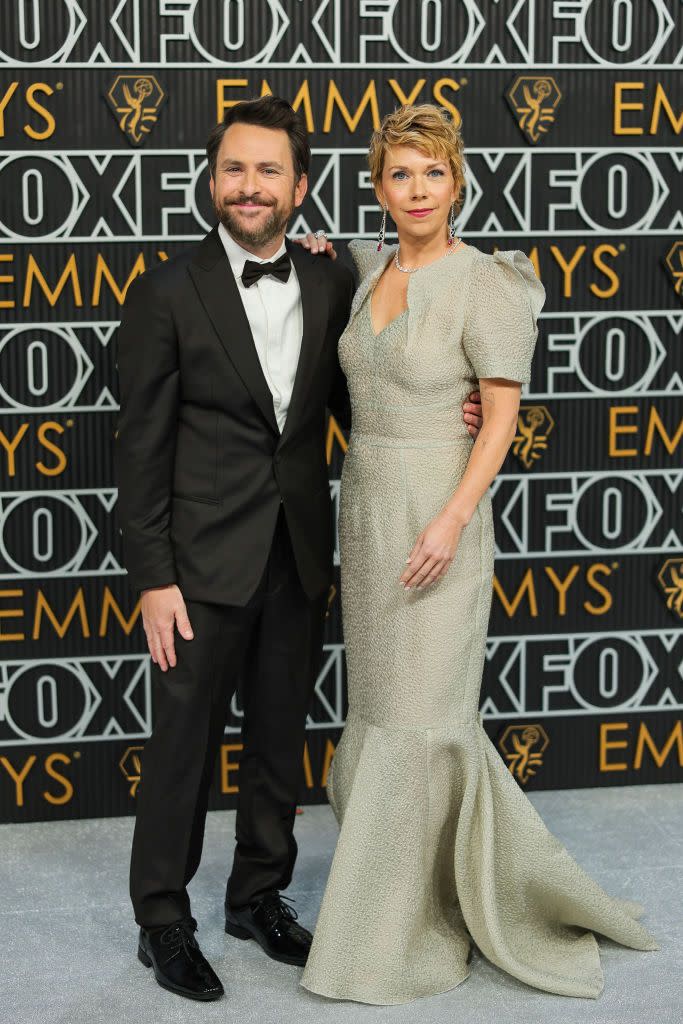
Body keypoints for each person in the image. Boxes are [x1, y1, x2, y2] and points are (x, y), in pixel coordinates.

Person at [115, 94, 484, 1002]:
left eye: (268, 170)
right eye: (234, 169)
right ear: (212, 180)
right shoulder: (166, 289)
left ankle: (258, 897)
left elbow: (370, 400)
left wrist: (454, 413)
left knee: (281, 737)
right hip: (198, 564)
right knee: (183, 746)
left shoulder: (331, 280)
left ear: (300, 186)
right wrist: (153, 577)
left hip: (301, 550)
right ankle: (162, 919)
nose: (249, 186)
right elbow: (139, 447)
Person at [299, 104, 658, 1005]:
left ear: (457, 182)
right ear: (377, 187)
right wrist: (313, 243)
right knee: (381, 711)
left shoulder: (488, 282)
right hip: (367, 508)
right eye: (398, 174)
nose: (416, 190)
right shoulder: (365, 265)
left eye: (432, 173)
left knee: (424, 722)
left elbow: (497, 422)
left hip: (438, 516)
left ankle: (399, 933)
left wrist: (452, 519)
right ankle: (411, 896)